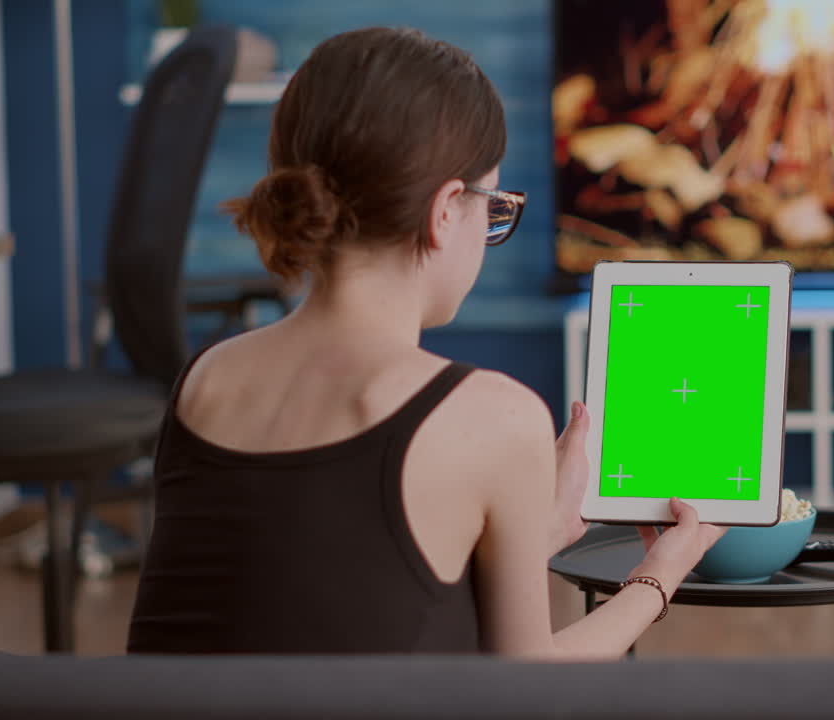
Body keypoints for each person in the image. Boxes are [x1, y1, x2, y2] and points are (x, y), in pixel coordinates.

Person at [126, 27, 724, 659]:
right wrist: (664, 569)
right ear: (444, 211)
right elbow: (528, 685)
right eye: (491, 205)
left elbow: (319, 587)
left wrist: (535, 528)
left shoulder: (206, 379)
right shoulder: (490, 415)